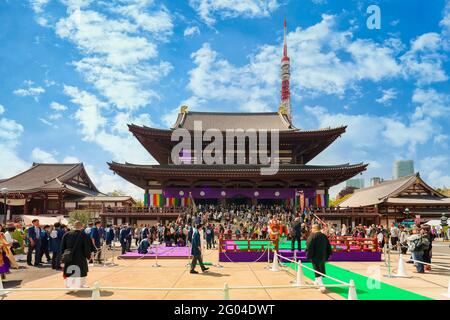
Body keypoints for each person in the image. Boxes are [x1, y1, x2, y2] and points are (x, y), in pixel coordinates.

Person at [61, 221, 92, 289]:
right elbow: (87, 248)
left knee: (70, 270)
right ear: (81, 226)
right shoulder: (84, 235)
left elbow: (62, 247)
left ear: (74, 226)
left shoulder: (67, 234)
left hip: (69, 256)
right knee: (82, 270)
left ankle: (69, 286)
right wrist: (88, 256)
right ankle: (81, 285)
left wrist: (62, 258)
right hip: (80, 256)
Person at [306, 224, 332, 293]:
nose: (311, 229)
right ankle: (316, 282)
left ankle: (322, 286)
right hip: (323, 255)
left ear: (314, 229)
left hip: (315, 256)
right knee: (319, 268)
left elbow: (309, 245)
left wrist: (308, 255)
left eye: (312, 228)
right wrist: (329, 254)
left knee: (317, 270)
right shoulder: (324, 236)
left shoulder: (312, 236)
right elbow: (328, 246)